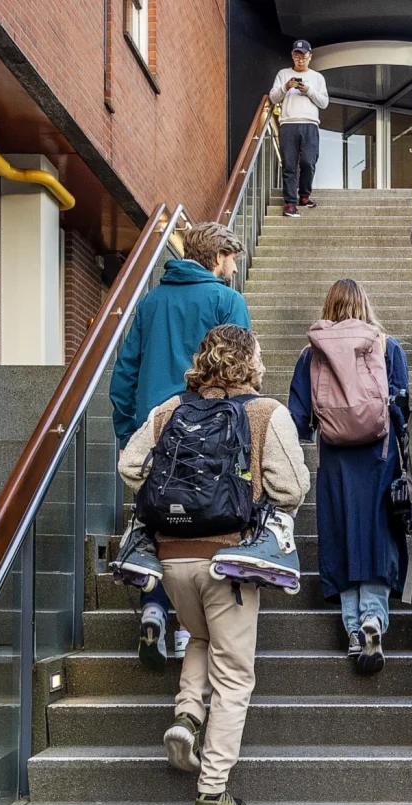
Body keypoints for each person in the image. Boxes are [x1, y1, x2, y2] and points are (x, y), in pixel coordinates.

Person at [118, 325, 311, 805]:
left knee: (198, 637)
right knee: (235, 675)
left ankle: (187, 715)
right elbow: (291, 486)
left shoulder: (167, 412)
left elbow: (130, 465)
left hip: (172, 560)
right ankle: (212, 793)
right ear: (250, 362)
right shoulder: (266, 414)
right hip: (230, 561)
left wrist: (172, 502)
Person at [108, 222, 251, 669]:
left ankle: (153, 606)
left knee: (156, 516)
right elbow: (243, 371)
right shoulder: (226, 301)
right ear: (215, 257)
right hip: (210, 430)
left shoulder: (151, 301)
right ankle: (192, 627)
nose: (231, 270)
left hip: (155, 427)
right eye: (229, 260)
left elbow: (124, 373)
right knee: (200, 518)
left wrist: (129, 431)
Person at [288, 280, 409, 672]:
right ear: (365, 306)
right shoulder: (388, 346)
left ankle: (355, 628)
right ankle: (374, 617)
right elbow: (402, 403)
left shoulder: (311, 354)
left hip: (335, 459)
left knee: (341, 536)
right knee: (377, 535)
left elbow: (298, 417)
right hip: (380, 455)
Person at [269, 40, 328, 218]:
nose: (300, 58)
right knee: (289, 165)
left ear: (310, 56)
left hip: (310, 124)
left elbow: (324, 103)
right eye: (297, 54)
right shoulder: (283, 74)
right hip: (288, 123)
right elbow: (273, 98)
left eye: (303, 55)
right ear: (292, 56)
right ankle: (290, 203)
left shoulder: (317, 78)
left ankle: (304, 195)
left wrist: (308, 90)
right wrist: (286, 87)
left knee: (308, 162)